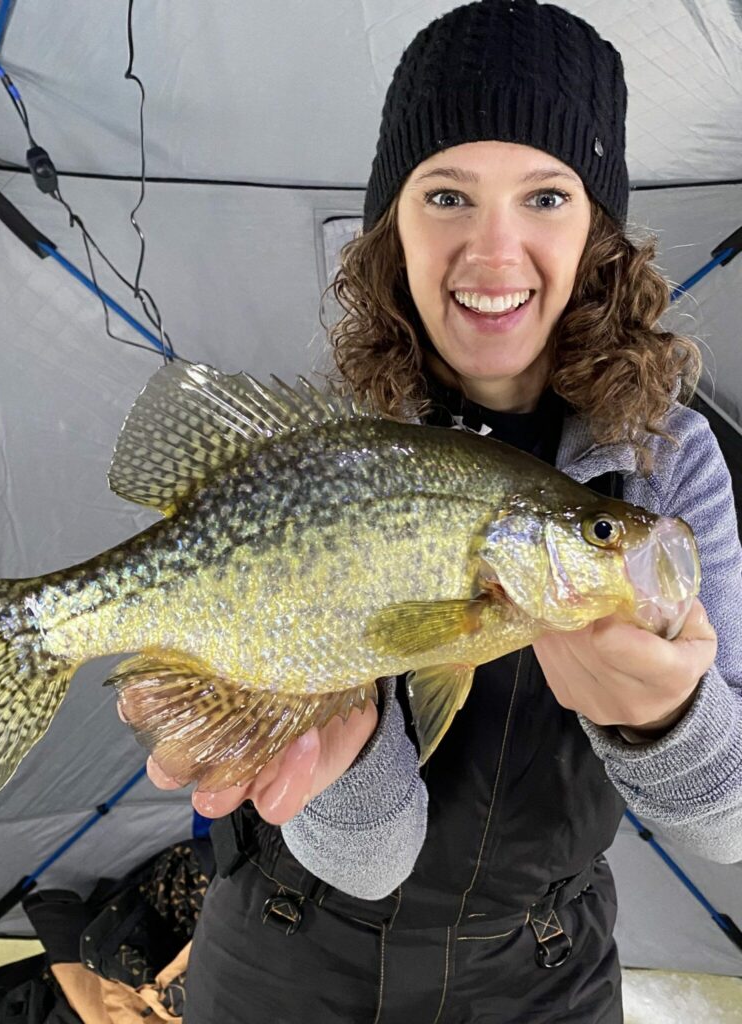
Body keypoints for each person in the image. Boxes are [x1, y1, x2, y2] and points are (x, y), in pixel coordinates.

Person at [136, 3, 742, 1021]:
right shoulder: (326, 447)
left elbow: (729, 825)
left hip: (544, 977)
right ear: (392, 225)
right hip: (281, 956)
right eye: (448, 194)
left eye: (546, 195)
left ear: (600, 230)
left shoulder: (669, 461)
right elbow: (368, 861)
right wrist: (343, 740)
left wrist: (667, 719)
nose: (494, 251)